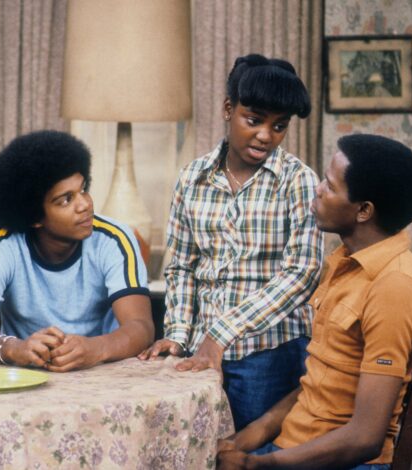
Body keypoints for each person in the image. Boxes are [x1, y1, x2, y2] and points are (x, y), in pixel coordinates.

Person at [217, 134, 412, 469]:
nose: (317, 189)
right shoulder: (345, 261)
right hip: (293, 447)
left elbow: (365, 437)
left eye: (329, 186)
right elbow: (317, 384)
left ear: (363, 211)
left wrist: (258, 465)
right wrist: (245, 438)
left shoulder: (394, 285)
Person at [139, 53, 324, 431]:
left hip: (270, 354)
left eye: (279, 126)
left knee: (249, 453)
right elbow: (182, 266)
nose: (266, 135)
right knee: (198, 450)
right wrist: (178, 335)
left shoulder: (298, 180)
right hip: (199, 355)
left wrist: (220, 335)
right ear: (228, 109)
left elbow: (302, 274)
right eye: (254, 120)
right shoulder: (192, 178)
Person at [0, 130, 154, 372]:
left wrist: (96, 348)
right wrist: (16, 349)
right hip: (22, 376)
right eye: (66, 200)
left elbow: (141, 327)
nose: (85, 204)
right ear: (34, 217)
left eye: (83, 189)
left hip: (100, 374)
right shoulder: (0, 245)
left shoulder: (115, 238)